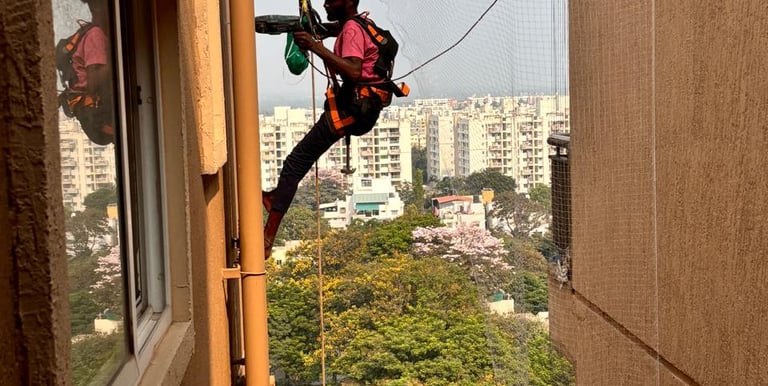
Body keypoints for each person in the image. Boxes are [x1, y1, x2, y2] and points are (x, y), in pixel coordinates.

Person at [262, 0, 390, 258]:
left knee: (296, 162)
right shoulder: (361, 24)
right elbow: (325, 29)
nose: (325, 3)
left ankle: (267, 236)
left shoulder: (352, 29)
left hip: (352, 109)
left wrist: (314, 47)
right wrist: (309, 29)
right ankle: (275, 199)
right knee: (297, 162)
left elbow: (353, 70)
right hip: (364, 107)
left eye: (331, 0)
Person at [62, 0, 115, 145]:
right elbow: (94, 80)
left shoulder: (95, 33)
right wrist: (120, 62)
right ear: (99, 8)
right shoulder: (95, 35)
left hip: (92, 113)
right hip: (96, 113)